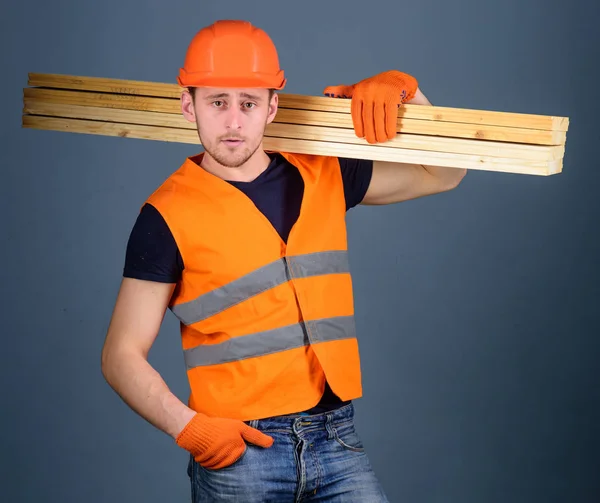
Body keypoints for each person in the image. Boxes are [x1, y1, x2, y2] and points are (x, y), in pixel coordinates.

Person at [101, 19, 467, 502]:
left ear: (272, 106)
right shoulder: (165, 216)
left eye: (248, 103)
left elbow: (445, 174)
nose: (233, 121)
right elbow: (120, 355)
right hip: (241, 450)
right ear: (188, 104)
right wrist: (188, 428)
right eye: (217, 102)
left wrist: (408, 94)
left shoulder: (324, 172)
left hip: (335, 436)